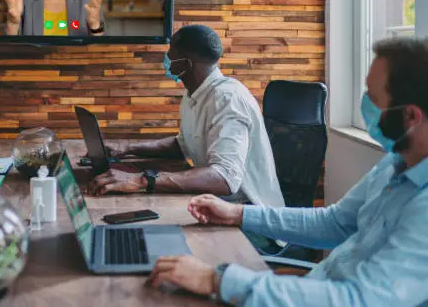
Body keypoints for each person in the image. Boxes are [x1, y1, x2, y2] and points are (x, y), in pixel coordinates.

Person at [148, 37, 428, 307]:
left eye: (373, 97)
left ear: (410, 116)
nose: (364, 104)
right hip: (314, 287)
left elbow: (358, 300)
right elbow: (333, 223)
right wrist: (237, 214)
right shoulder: (394, 164)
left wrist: (216, 280)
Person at [89, 24, 284, 208]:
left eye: (171, 53)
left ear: (187, 63)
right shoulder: (195, 93)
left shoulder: (226, 99)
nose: (166, 58)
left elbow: (225, 178)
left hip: (246, 213)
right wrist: (127, 148)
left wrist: (141, 180)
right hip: (214, 203)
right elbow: (183, 146)